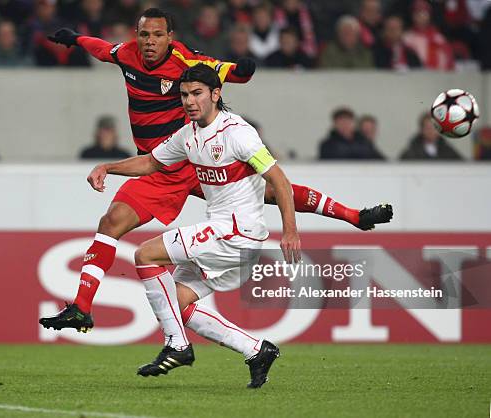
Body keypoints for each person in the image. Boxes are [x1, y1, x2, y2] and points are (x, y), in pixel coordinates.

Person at [39, 8, 392, 335]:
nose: (149, 42)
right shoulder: (127, 53)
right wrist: (74, 39)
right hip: (157, 165)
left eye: (157, 35)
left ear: (169, 37)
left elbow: (225, 72)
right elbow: (102, 49)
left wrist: (244, 69)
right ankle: (82, 308)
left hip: (195, 160)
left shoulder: (184, 59)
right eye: (144, 35)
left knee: (271, 190)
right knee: (111, 222)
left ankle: (353, 215)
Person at [89, 64, 296, 388]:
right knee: (178, 302)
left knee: (145, 255)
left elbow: (279, 180)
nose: (189, 100)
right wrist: (108, 166)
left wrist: (290, 231)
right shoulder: (188, 136)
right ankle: (256, 350)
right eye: (184, 94)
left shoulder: (237, 134)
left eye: (197, 93)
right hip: (228, 239)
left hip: (237, 233)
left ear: (216, 94)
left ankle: (177, 345)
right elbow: (150, 162)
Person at [319, 107, 384, 160]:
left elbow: (378, 159)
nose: (345, 125)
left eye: (347, 121)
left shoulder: (364, 142)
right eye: (341, 122)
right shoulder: (327, 145)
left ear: (353, 123)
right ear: (335, 124)